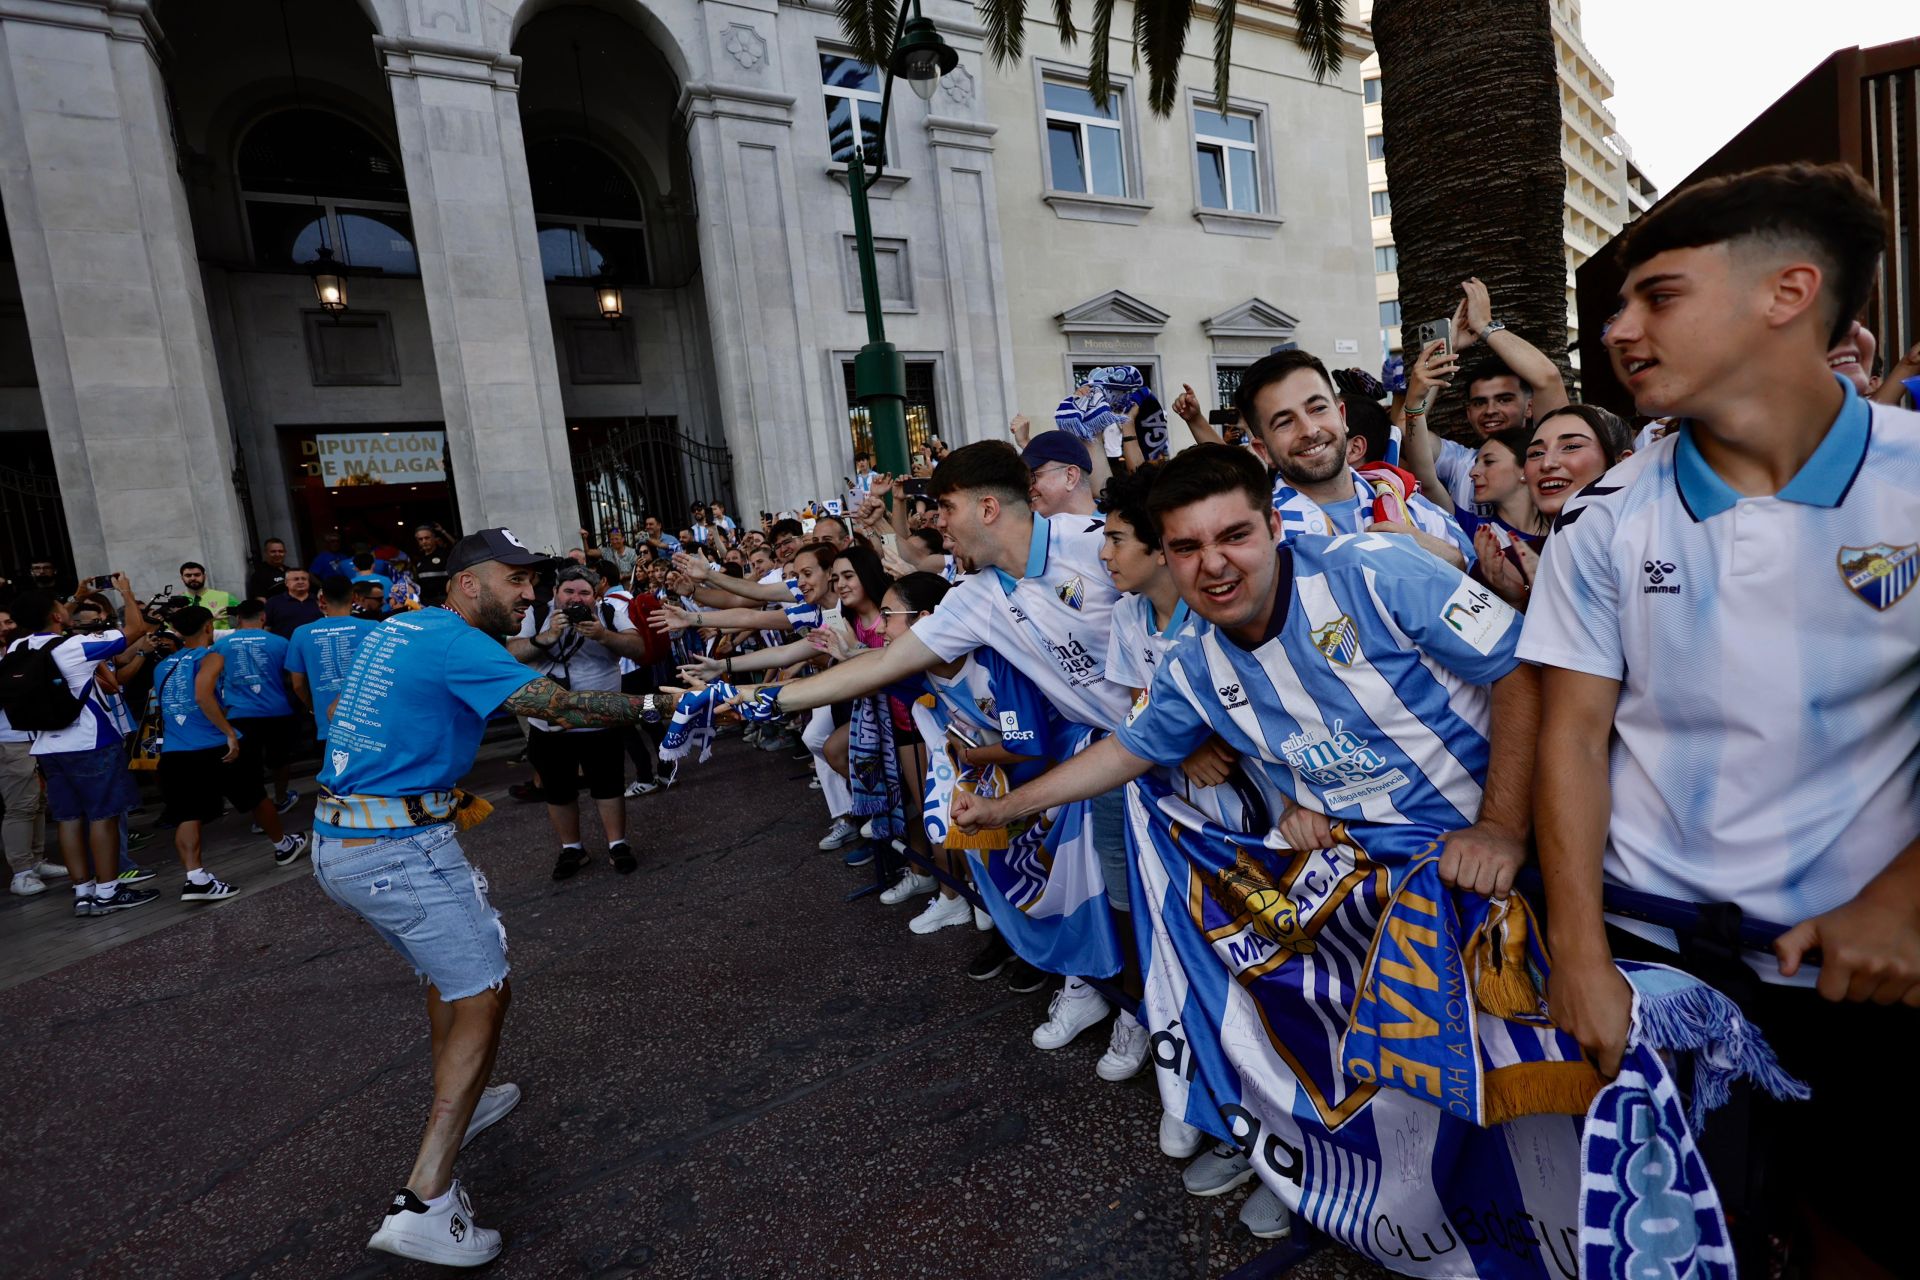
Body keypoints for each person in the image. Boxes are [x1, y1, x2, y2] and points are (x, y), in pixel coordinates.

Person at [950, 444, 1540, 1239]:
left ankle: (1521, 1219)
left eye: (1234, 536)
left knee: (1527, 1072)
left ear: (1273, 525)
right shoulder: (1192, 666)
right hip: (1378, 886)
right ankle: (1355, 1185)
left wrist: (1501, 826)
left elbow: (1523, 669)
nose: (1213, 565)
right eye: (1188, 548)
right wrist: (1006, 806)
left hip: (1501, 868)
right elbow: (1129, 749)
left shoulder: (1376, 570)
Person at [1521, 162, 1915, 1279]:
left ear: (1786, 293)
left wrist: (1902, 892)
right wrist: (1581, 948)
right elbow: (1571, 736)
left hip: (1865, 982)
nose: (1619, 331)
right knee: (1693, 1238)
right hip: (1668, 970)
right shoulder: (1602, 520)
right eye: (1618, 305)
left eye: (1660, 296)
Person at [311, 528, 671, 1266]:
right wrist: (667, 704)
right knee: (483, 993)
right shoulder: (456, 640)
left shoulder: (406, 624)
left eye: (535, 582)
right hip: (397, 849)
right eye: (517, 580)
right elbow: (564, 709)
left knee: (452, 982)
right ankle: (425, 1199)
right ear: (469, 582)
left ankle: (463, 1102)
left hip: (346, 843)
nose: (531, 593)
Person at [736, 444, 1145, 1080]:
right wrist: (759, 698)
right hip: (1112, 769)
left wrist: (1195, 731)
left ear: (987, 507)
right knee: (1128, 901)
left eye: (945, 509)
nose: (936, 525)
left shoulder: (1093, 544)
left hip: (1185, 753)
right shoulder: (973, 596)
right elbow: (880, 663)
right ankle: (1137, 1012)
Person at [1, 578, 155, 916]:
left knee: (69, 818)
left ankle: (83, 892)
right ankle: (108, 890)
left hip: (46, 745)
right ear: (55, 616)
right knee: (104, 815)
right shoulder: (73, 647)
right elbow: (135, 627)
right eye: (60, 608)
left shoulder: (17, 648)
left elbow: (44, 625)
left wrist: (72, 601)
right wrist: (126, 592)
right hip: (89, 741)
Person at [1237, 349, 1473, 569]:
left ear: (1341, 416)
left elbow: (1483, 582)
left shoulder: (1409, 503)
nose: (1309, 430)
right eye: (1284, 422)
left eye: (1318, 409)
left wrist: (1452, 561)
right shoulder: (1257, 539)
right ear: (1263, 450)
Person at [150, 606, 308, 895]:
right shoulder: (211, 657)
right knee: (255, 796)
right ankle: (283, 845)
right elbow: (202, 694)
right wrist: (229, 733)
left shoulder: (163, 665)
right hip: (214, 745)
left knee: (187, 813)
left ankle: (196, 876)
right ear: (209, 627)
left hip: (176, 749)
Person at [507, 565, 653, 877]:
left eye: (584, 593)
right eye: (569, 592)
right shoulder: (535, 613)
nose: (576, 599)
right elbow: (509, 652)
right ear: (557, 592)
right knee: (557, 788)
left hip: (599, 718)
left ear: (595, 595)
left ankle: (618, 844)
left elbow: (638, 647)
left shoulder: (610, 611)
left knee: (609, 784)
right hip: (547, 719)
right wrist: (546, 638)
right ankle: (572, 849)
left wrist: (603, 635)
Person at [1399, 277, 1573, 511]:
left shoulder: (1547, 457)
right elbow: (1405, 431)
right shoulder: (1462, 464)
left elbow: (1548, 379)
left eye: (1504, 399)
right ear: (1469, 413)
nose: (1491, 411)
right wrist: (1443, 356)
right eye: (1480, 403)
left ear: (1529, 406)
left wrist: (1484, 326)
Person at [1478, 405, 1633, 610]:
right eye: (1536, 453)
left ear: (1623, 464)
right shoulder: (1506, 564)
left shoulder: (1653, 552)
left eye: (1570, 447)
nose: (1547, 463)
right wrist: (1516, 600)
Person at [212, 599, 301, 817]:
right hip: (277, 711)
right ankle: (280, 798)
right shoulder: (280, 642)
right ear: (263, 618)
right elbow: (292, 676)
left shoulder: (221, 645)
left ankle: (260, 813)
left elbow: (212, 682)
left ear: (238, 619)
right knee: (280, 759)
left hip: (240, 713)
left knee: (250, 767)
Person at [286, 575, 378, 752]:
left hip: (328, 722)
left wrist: (314, 708)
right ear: (354, 597)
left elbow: (297, 685)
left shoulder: (301, 633)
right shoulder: (372, 627)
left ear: (322, 598)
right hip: (370, 722)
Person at [1020, 431, 1099, 522]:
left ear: (1070, 477)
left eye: (1032, 477)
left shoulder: (1114, 525)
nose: (1027, 488)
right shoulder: (1026, 531)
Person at [178, 561, 238, 630]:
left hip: (219, 640)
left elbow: (247, 617)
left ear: (204, 576)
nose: (193, 578)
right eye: (188, 575)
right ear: (182, 578)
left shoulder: (224, 597)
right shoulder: (177, 603)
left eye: (197, 575)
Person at [264, 567, 322, 638]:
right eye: (296, 579)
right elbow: (266, 629)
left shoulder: (320, 601)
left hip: (314, 645)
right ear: (286, 583)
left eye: (304, 579)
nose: (300, 582)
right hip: (286, 647)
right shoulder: (273, 602)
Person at [412, 524, 455, 606]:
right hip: (425, 604)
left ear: (434, 538)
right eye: (420, 539)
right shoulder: (418, 559)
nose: (424, 541)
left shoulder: (446, 555)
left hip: (445, 602)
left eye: (427, 538)